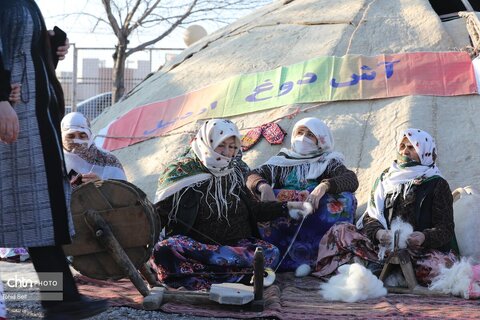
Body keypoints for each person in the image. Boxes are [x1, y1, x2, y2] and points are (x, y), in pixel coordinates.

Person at [0, 1, 107, 319]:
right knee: (34, 212)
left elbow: (20, 53)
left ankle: (60, 300)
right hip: (15, 119)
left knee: (38, 215)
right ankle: (60, 301)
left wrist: (48, 48)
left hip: (31, 118)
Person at [150, 119, 312, 290]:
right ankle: (231, 276)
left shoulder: (235, 172)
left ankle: (202, 278)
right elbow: (158, 215)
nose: (227, 152)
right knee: (165, 249)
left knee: (270, 253)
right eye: (221, 145)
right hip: (196, 248)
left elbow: (255, 209)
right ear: (207, 142)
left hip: (234, 247)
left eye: (233, 147)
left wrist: (286, 207)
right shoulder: (182, 173)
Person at [314, 128, 457, 286]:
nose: (405, 151)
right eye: (402, 147)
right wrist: (378, 233)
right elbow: (371, 215)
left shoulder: (437, 184)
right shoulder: (386, 178)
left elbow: (446, 228)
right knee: (340, 231)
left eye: (411, 148)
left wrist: (424, 237)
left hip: (419, 253)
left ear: (425, 153)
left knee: (440, 269)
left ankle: (375, 270)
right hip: (381, 248)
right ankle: (376, 268)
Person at [246, 117, 359, 271]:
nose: (303, 138)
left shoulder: (327, 161)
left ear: (320, 139)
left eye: (310, 134)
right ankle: (279, 256)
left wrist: (323, 186)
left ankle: (322, 257)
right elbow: (250, 176)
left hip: (314, 216)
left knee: (344, 199)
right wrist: (263, 186)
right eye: (300, 132)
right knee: (258, 198)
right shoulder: (280, 162)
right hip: (286, 219)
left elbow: (351, 179)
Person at [61, 111, 127, 187]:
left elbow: (123, 194)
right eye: (70, 136)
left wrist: (101, 185)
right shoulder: (54, 161)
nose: (77, 141)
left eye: (82, 136)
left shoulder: (108, 160)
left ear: (90, 136)